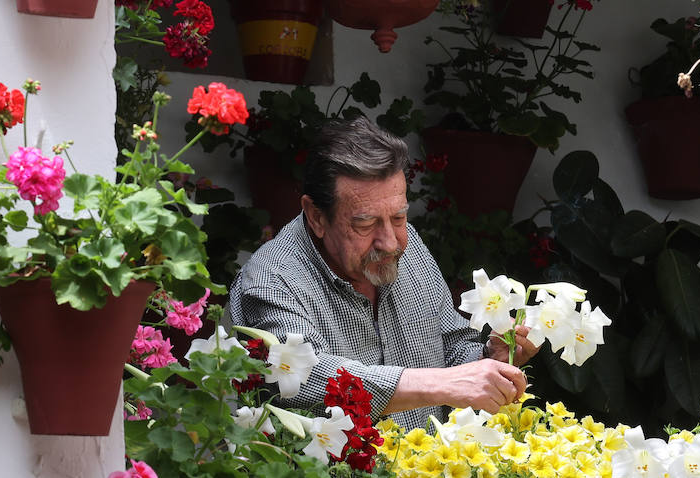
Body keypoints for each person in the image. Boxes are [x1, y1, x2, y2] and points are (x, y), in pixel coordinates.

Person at [225, 116, 536, 431]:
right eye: (365, 223)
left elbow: (452, 348)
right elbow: (305, 377)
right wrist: (441, 383)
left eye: (399, 217)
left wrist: (491, 354)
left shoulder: (408, 243)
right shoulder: (271, 280)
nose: (390, 242)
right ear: (316, 216)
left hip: (427, 471)